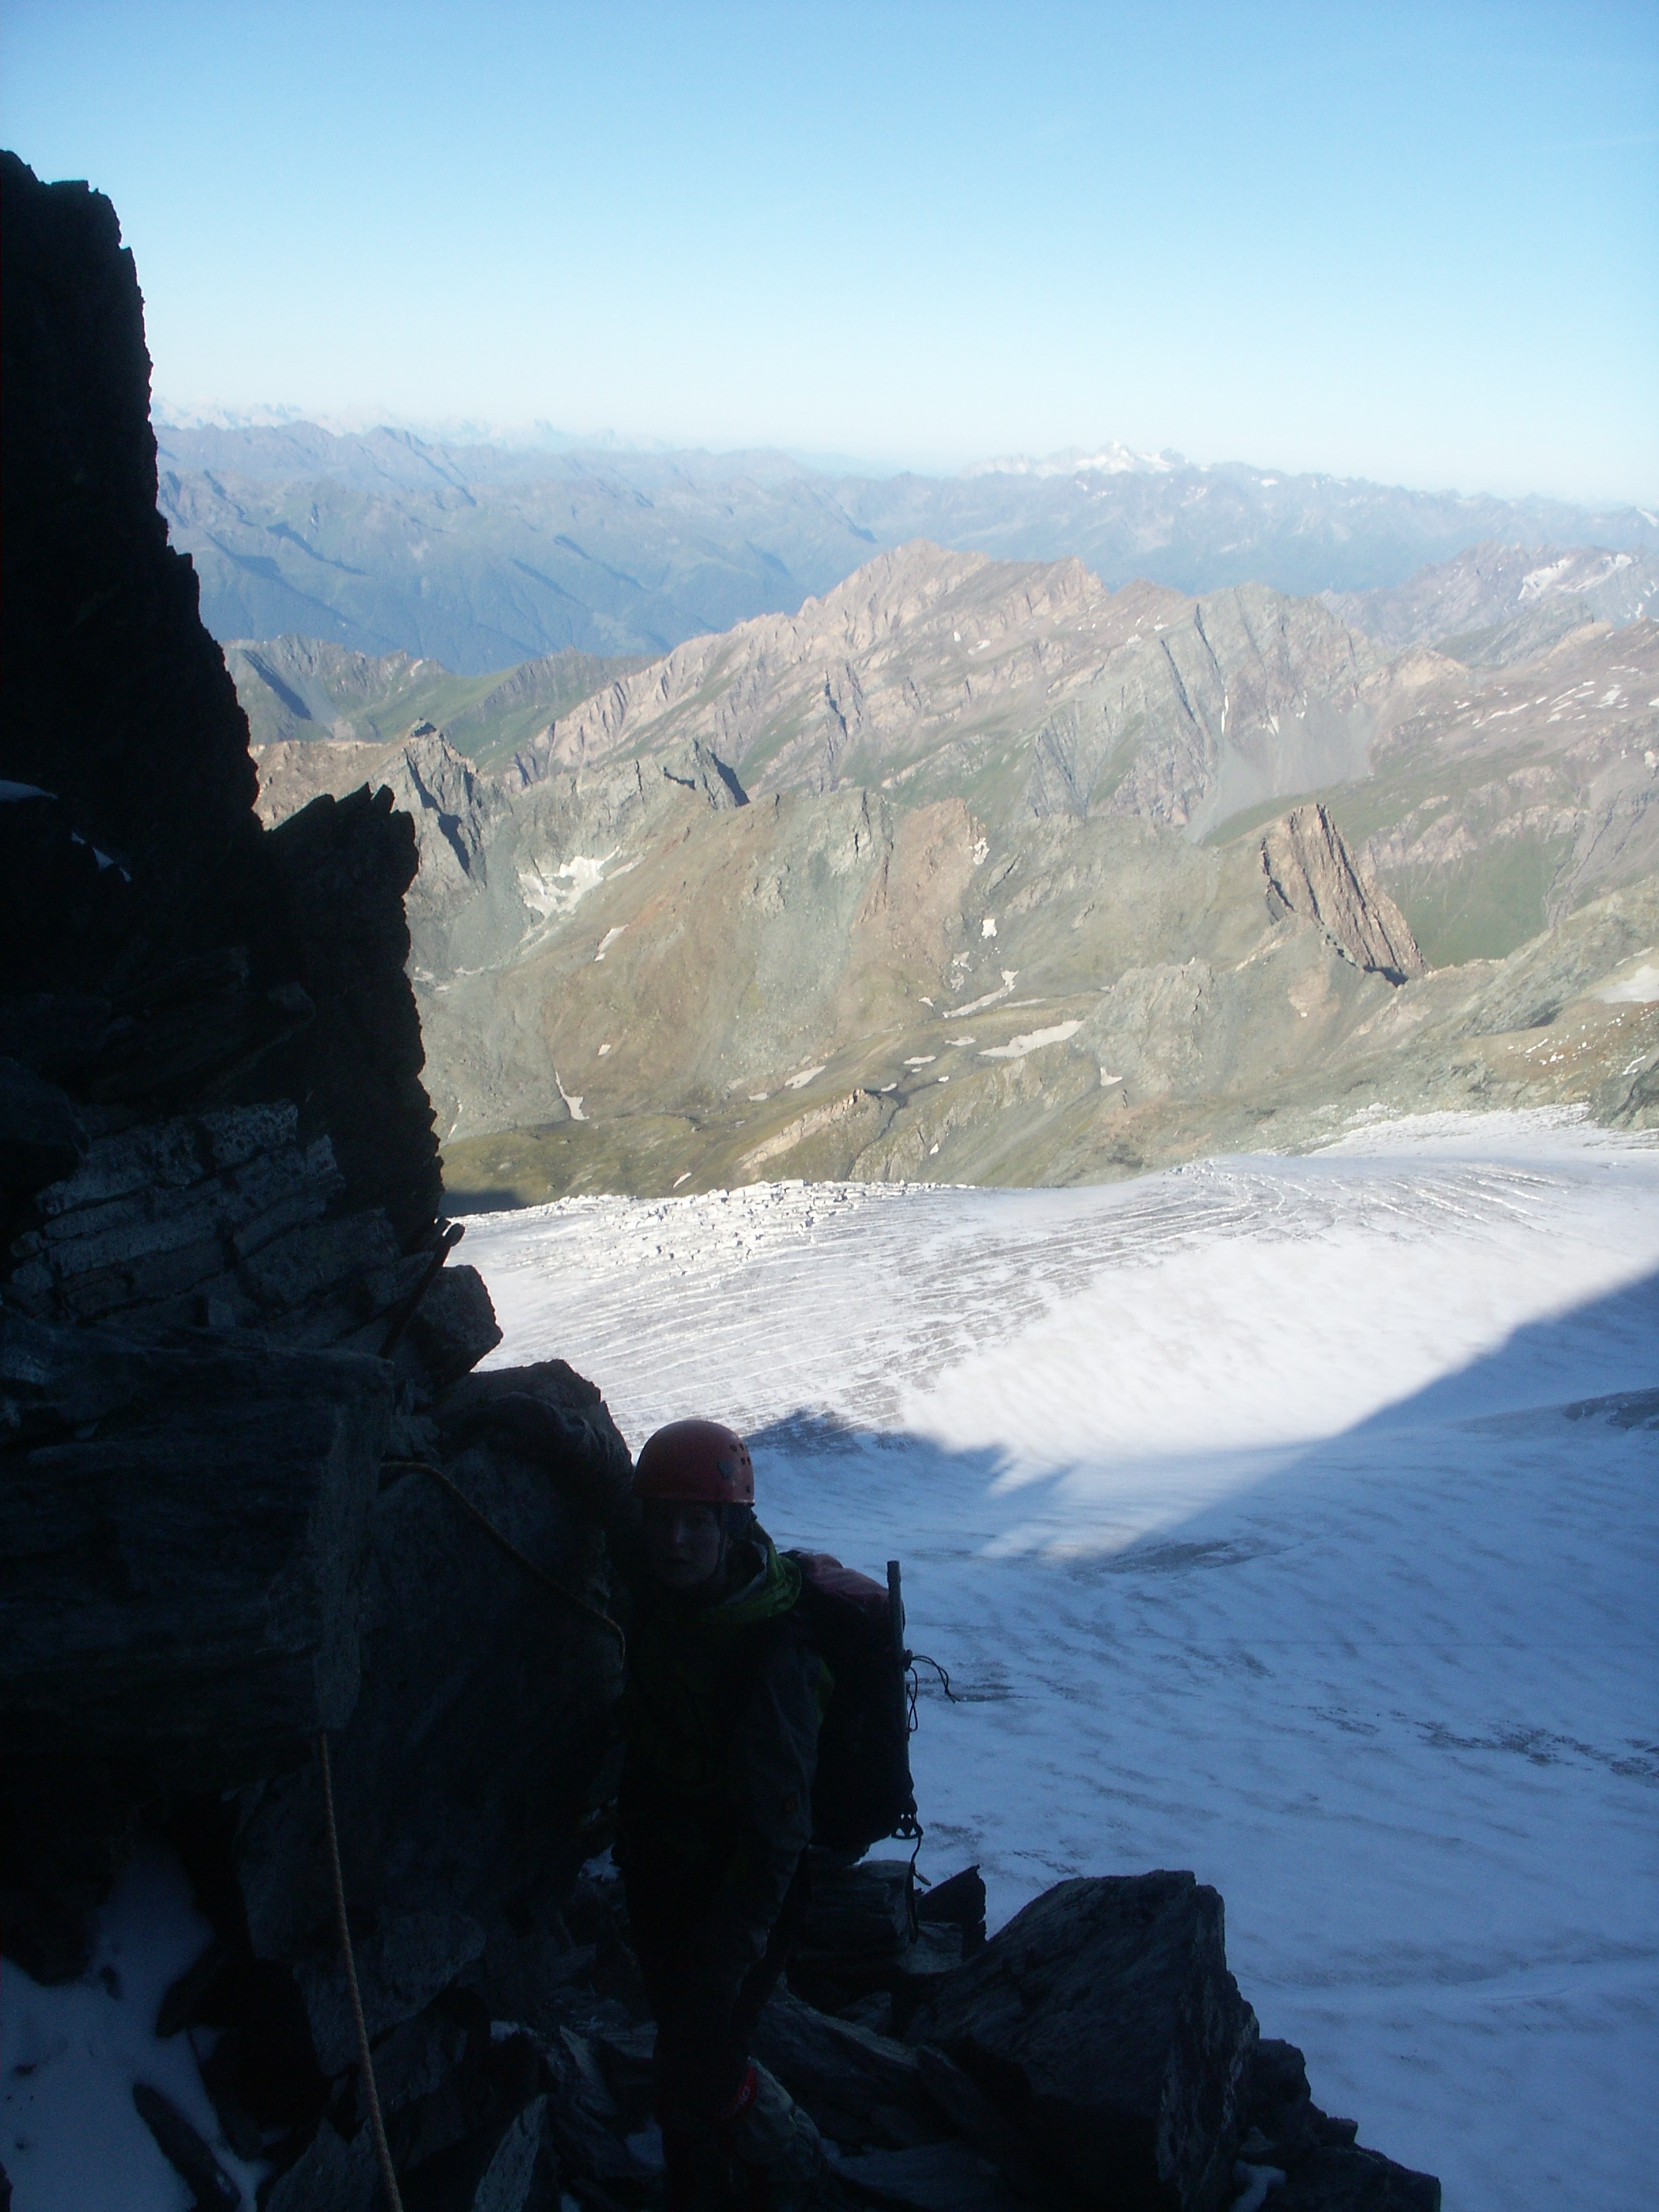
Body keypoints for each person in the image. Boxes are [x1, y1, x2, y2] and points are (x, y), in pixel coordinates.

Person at [457, 1396, 825, 2211]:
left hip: (740, 1892)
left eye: (696, 1523)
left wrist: (724, 1964)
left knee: (703, 2059)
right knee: (685, 2053)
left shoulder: (770, 1655)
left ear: (731, 1530)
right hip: (665, 1867)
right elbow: (608, 1487)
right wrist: (546, 1426)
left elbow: (776, 1841)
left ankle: (794, 2163)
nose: (675, 1540)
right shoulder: (665, 1578)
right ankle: (710, 2177)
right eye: (665, 1521)